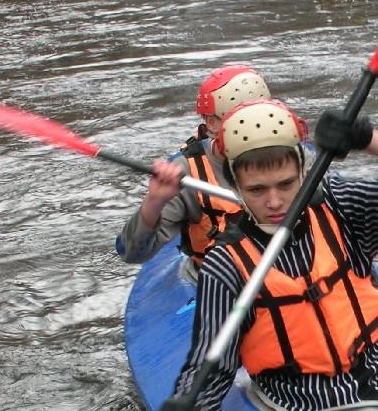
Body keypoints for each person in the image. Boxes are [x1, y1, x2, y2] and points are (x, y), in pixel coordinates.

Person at [162, 98, 378, 411]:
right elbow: (212, 364)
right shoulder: (224, 264)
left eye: (286, 184)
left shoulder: (342, 210)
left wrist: (369, 140)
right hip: (301, 409)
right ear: (235, 186)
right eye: (257, 190)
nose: (274, 202)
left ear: (303, 171)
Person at [116, 64, 276, 267]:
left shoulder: (295, 159)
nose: (255, 132)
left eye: (261, 120)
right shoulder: (189, 173)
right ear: (211, 123)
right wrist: (154, 202)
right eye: (241, 122)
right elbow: (132, 253)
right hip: (214, 280)